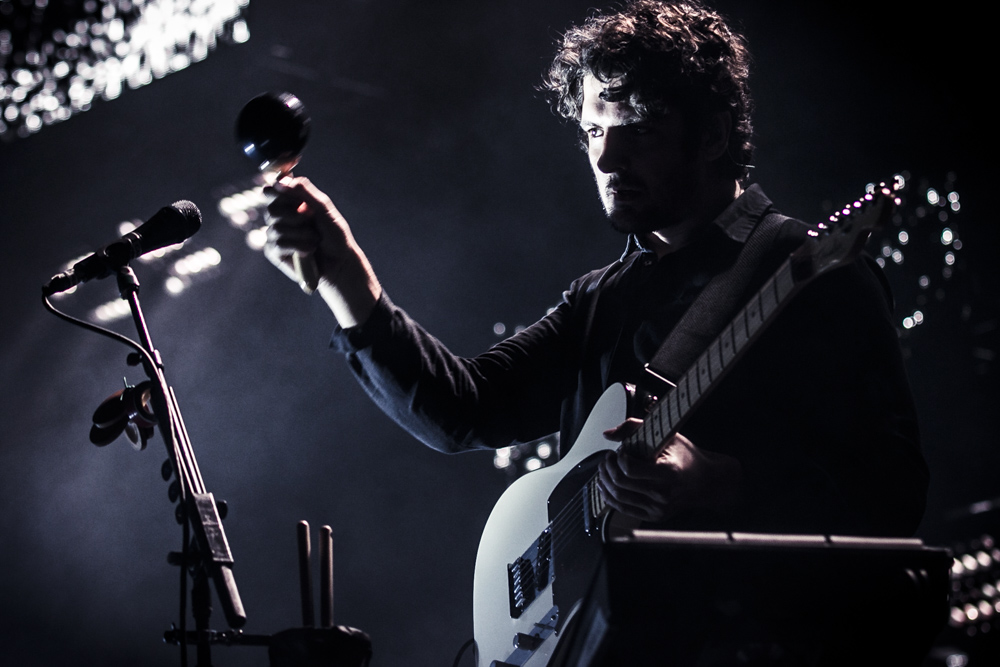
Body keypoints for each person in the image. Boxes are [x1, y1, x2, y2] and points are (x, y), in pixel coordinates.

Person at [264, 0, 927, 538]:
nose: (607, 160)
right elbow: (464, 411)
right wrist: (345, 278)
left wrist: (721, 482)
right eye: (592, 132)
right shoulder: (599, 301)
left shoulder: (813, 271)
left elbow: (895, 492)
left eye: (636, 129)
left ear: (715, 136)